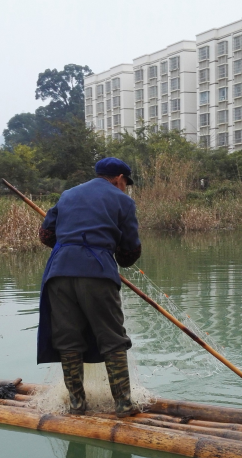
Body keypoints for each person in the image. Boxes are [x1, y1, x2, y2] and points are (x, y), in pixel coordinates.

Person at [37, 157, 142, 417]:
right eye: (125, 183)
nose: (125, 188)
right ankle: (124, 404)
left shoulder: (68, 194)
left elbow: (46, 235)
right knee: (112, 338)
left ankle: (76, 404)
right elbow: (130, 252)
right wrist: (107, 251)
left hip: (59, 273)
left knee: (67, 339)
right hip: (96, 273)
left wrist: (72, 246)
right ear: (119, 178)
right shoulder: (123, 201)